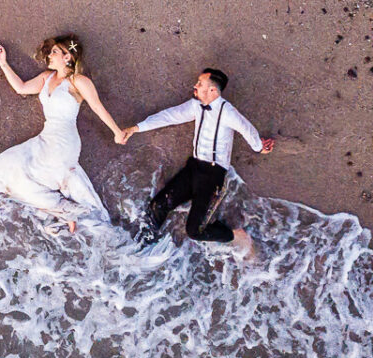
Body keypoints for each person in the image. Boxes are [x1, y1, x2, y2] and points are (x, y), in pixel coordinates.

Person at [117, 67, 275, 260]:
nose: (195, 86)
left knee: (195, 230)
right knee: (157, 206)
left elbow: (246, 128)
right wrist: (135, 128)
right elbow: (169, 116)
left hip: (213, 176)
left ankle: (234, 235)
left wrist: (259, 147)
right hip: (194, 168)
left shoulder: (228, 112)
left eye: (200, 83)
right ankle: (144, 249)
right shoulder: (195, 106)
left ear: (212, 91)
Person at [0, 35, 124, 230]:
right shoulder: (47, 77)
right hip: (45, 137)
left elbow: (98, 107)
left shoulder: (79, 81)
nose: (49, 55)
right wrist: (3, 63)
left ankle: (63, 210)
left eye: (55, 52)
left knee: (33, 177)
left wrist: (117, 132)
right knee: (2, 165)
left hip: (63, 142)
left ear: (67, 57)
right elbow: (22, 88)